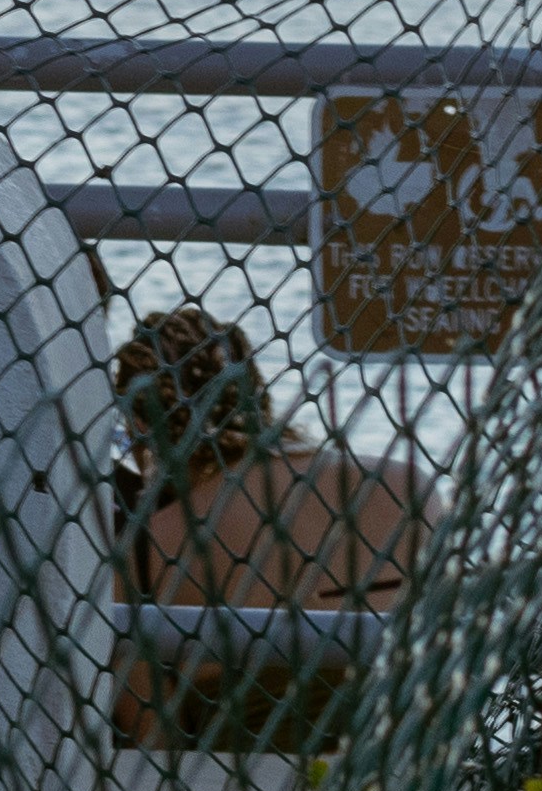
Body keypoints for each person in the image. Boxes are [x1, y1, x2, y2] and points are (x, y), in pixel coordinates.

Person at [111, 307, 427, 746]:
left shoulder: (148, 549)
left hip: (246, 782)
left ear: (142, 424)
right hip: (402, 749)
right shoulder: (408, 485)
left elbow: (155, 738)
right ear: (254, 389)